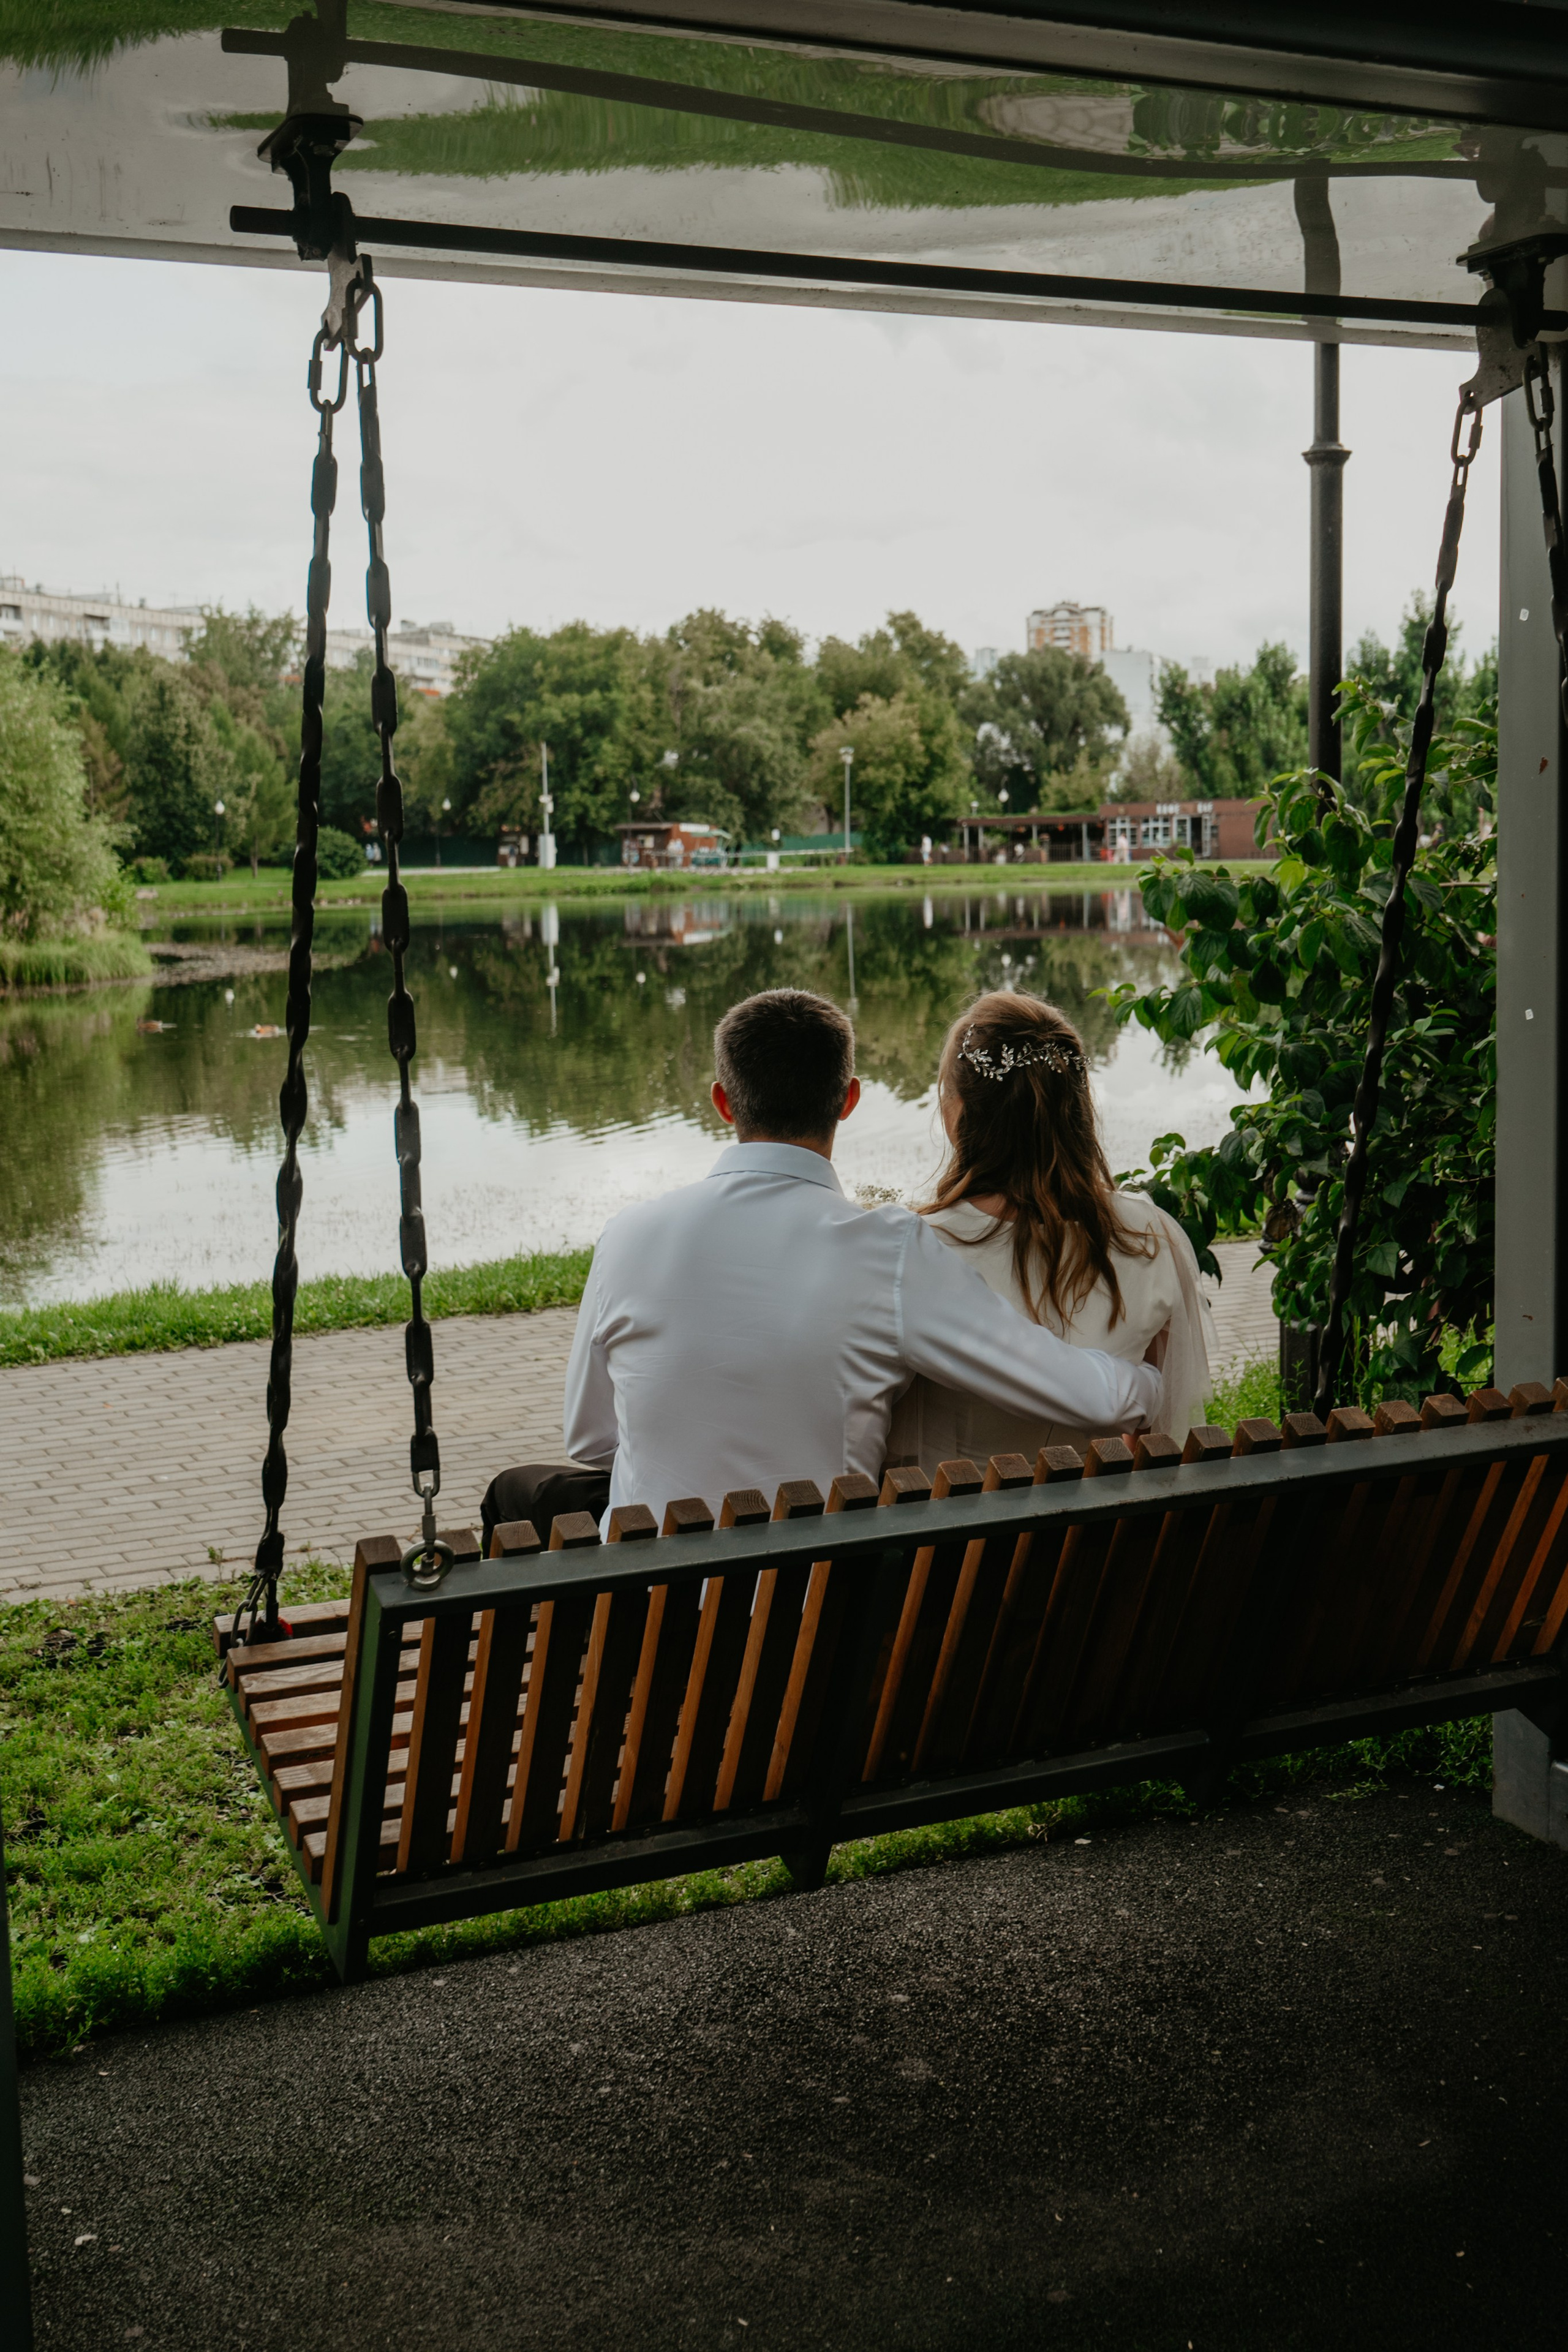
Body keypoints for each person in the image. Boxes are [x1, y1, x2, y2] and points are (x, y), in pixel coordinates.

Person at [480, 987, 1163, 1548]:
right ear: (848, 1100)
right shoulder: (887, 1251)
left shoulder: (628, 1235)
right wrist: (1151, 1380)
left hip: (642, 1606)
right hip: (806, 1614)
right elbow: (1090, 1397)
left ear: (723, 1102)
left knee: (521, 1493)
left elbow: (591, 1438)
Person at [885, 990, 1212, 1479]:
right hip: (1099, 1521)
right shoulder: (1150, 1234)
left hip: (957, 1524)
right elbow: (1156, 1440)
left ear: (956, 1115)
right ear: (1077, 1109)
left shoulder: (916, 1251)